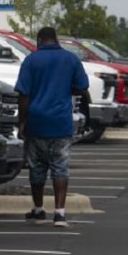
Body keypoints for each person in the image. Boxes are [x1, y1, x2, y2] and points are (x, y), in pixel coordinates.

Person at [15, 26, 92, 227]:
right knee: (60, 168)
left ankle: (39, 210)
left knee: (37, 168)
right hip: (61, 123)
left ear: (40, 40)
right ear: (55, 39)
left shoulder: (31, 60)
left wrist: (21, 122)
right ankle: (60, 213)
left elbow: (23, 93)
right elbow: (82, 86)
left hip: (37, 122)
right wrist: (67, 87)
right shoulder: (71, 59)